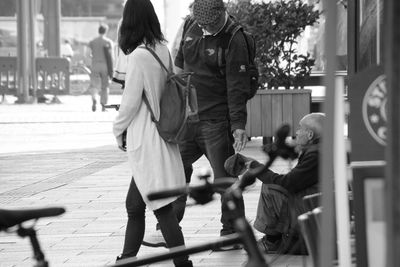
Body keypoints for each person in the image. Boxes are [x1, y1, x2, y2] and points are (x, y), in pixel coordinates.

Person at [112, 0, 192, 266]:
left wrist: (117, 128)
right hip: (164, 135)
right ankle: (126, 259)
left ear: (129, 21)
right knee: (136, 205)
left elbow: (130, 101)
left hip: (146, 139)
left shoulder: (137, 56)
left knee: (162, 207)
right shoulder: (161, 49)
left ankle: (183, 263)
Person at [173, 0, 251, 246]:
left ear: (222, 14)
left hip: (216, 120)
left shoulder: (234, 38)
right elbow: (177, 66)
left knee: (224, 178)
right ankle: (168, 226)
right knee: (175, 169)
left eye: (210, 25)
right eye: (201, 24)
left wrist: (238, 125)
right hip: (188, 119)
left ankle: (232, 231)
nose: (205, 28)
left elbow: (237, 86)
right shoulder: (189, 25)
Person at [225, 112, 325, 254]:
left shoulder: (316, 154)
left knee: (271, 188)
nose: (296, 132)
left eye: (299, 128)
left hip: (315, 206)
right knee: (273, 184)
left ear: (310, 135)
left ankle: (272, 241)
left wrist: (254, 166)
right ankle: (278, 239)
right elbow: (295, 181)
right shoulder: (321, 149)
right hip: (317, 203)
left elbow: (287, 183)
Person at [88, 24, 113, 112]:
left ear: (98, 31)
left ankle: (94, 98)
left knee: (94, 85)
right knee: (105, 86)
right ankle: (103, 105)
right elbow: (111, 57)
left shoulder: (92, 41)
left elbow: (88, 54)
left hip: (94, 65)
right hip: (105, 66)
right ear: (105, 31)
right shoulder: (108, 42)